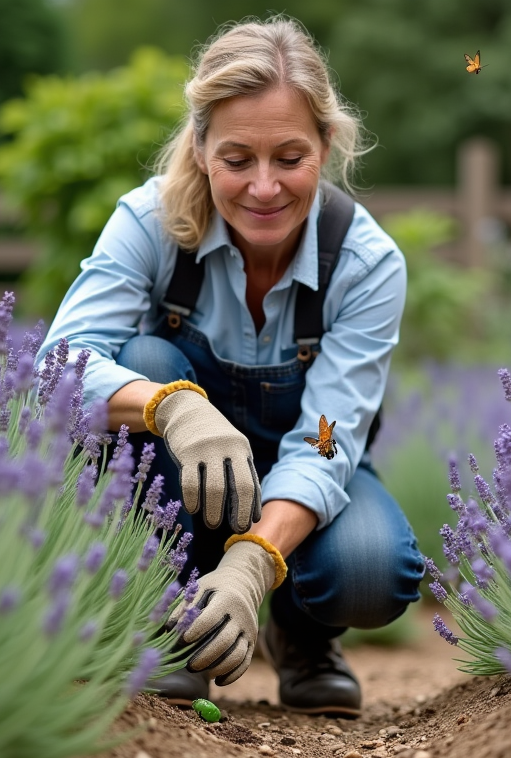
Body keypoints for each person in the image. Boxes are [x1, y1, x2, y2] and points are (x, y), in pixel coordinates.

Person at [35, 16, 424, 718]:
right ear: (201, 146)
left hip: (309, 459)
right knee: (148, 359)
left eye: (291, 157)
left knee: (373, 571)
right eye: (238, 159)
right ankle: (167, 618)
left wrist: (254, 564)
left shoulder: (365, 263)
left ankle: (303, 635)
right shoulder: (149, 223)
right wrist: (170, 407)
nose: (265, 187)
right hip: (183, 478)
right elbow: (54, 369)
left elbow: (329, 439)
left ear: (327, 146)